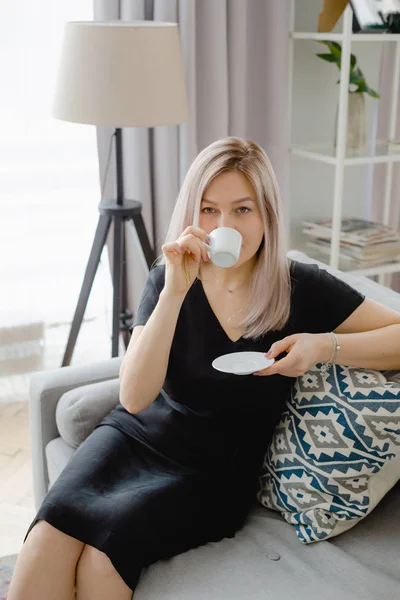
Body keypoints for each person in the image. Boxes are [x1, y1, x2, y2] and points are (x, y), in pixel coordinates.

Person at [8, 137, 400, 600]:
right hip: (133, 438)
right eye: (209, 210)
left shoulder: (300, 287)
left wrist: (324, 346)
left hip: (214, 474)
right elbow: (134, 399)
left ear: (266, 215)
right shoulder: (168, 280)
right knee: (46, 539)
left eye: (242, 210)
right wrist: (174, 292)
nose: (223, 224)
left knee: (101, 560)